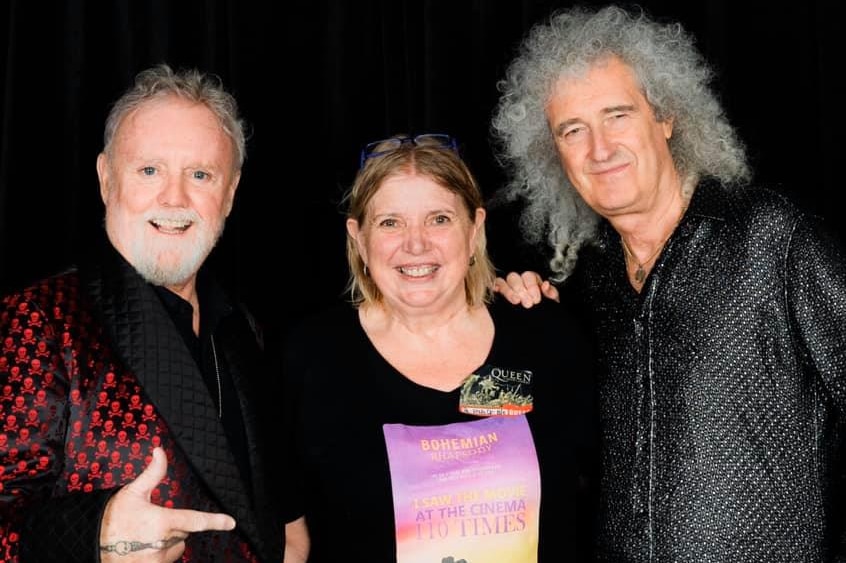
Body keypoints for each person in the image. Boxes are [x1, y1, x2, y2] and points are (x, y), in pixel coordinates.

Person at [490, 4, 846, 562]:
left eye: (617, 115)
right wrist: (519, 328)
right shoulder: (589, 280)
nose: (599, 149)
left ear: (666, 117)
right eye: (572, 129)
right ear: (551, 152)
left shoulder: (772, 239)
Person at [0, 64, 282, 562]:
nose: (174, 198)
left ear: (230, 193)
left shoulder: (243, 327)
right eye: (149, 170)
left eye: (200, 175)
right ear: (107, 179)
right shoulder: (37, 319)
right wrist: (95, 536)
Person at [281, 134, 597, 562]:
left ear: (474, 230)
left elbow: (599, 498)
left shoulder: (542, 336)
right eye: (390, 222)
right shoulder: (309, 358)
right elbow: (289, 539)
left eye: (439, 219)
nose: (416, 244)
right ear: (359, 238)